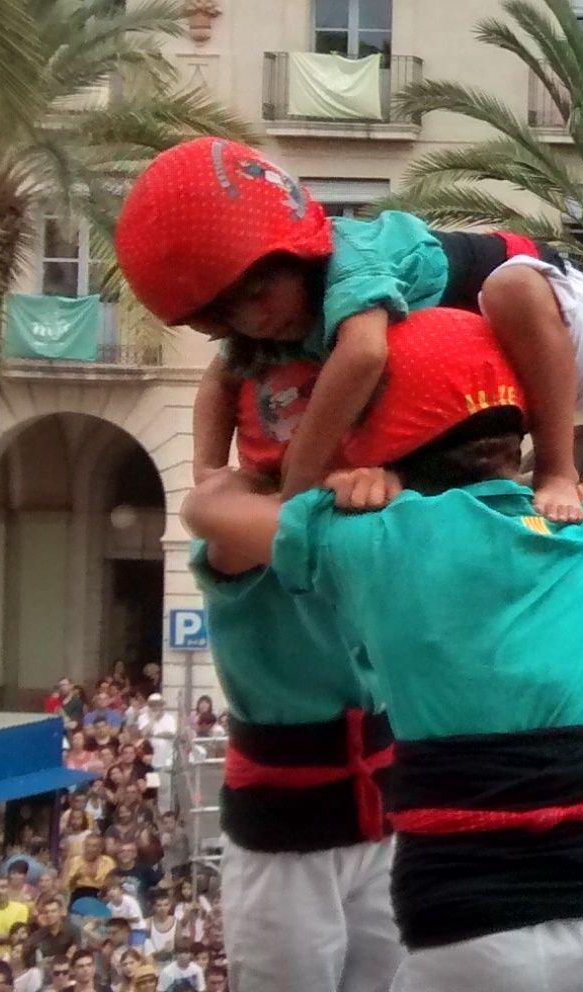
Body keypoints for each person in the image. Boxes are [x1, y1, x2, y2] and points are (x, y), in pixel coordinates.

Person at [183, 307, 583, 990]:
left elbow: (206, 511)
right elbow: (525, 303)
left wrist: (324, 491)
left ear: (389, 449)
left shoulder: (381, 541)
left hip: (467, 937)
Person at [115, 135, 583, 524]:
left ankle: (557, 470)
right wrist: (208, 476)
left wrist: (295, 488)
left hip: (572, 326)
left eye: (258, 296)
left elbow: (363, 355)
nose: (254, 321)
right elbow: (219, 381)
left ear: (299, 258)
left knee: (511, 289)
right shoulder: (259, 324)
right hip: (487, 381)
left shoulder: (348, 257)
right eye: (229, 315)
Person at [181, 334, 403, 992]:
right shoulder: (236, 526)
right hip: (286, 832)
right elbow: (222, 378)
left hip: (386, 815)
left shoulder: (368, 509)